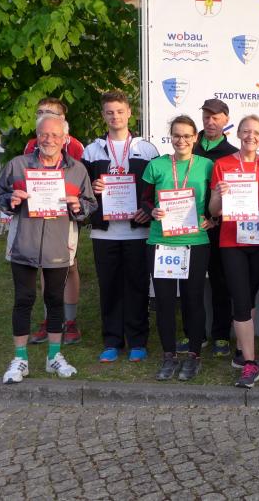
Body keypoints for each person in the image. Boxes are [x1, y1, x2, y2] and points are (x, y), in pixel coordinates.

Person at [0, 114, 96, 383]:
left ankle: (53, 356)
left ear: (65, 139)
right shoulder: (18, 165)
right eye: (43, 134)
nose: (49, 139)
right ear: (37, 137)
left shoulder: (77, 169)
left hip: (59, 244)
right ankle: (20, 359)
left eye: (54, 135)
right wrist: (11, 199)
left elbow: (89, 204)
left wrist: (78, 206)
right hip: (24, 243)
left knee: (54, 299)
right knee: (23, 299)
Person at [82, 91, 159, 362]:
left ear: (129, 113)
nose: (115, 116)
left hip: (138, 231)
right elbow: (82, 191)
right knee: (110, 287)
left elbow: (157, 188)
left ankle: (138, 340)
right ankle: (112, 341)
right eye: (109, 112)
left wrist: (147, 211)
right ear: (103, 115)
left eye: (119, 111)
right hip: (104, 233)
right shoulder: (92, 151)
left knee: (137, 286)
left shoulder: (146, 149)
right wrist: (92, 187)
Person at [142, 115, 214, 381]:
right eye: (176, 135)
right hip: (161, 243)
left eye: (186, 136)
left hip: (195, 242)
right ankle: (169, 355)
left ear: (195, 138)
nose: (181, 140)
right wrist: (152, 210)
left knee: (193, 300)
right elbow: (144, 199)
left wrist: (212, 219)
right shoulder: (156, 165)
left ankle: (194, 355)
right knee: (164, 301)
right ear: (170, 137)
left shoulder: (207, 165)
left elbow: (214, 201)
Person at [209, 115, 259, 388]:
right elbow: (213, 211)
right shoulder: (222, 165)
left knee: (249, 296)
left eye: (256, 132)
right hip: (232, 241)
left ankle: (240, 352)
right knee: (241, 298)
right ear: (238, 134)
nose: (250, 136)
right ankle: (249, 363)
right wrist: (219, 195)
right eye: (246, 131)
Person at [24, 97, 85, 346]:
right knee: (44, 265)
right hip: (38, 213)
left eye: (50, 112)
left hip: (64, 214)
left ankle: (70, 321)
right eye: (40, 112)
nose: (44, 115)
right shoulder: (31, 144)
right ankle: (50, 318)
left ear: (63, 119)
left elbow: (80, 178)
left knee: (69, 265)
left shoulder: (76, 145)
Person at [187, 99, 238, 358]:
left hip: (219, 228)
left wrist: (216, 219)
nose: (210, 121)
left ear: (226, 120)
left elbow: (236, 196)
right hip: (188, 227)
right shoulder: (189, 147)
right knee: (190, 283)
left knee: (221, 282)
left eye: (215, 117)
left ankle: (221, 335)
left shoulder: (232, 153)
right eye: (206, 116)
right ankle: (194, 333)